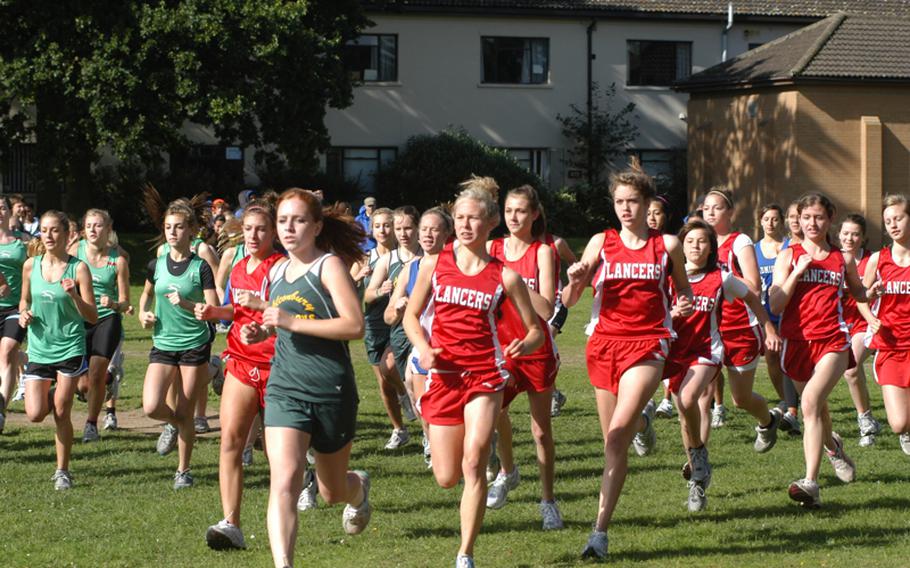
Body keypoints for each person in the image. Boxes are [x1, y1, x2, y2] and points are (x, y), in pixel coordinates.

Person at [403, 176, 543, 568]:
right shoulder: (435, 264)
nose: (465, 225)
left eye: (473, 218)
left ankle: (465, 554)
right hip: (444, 376)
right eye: (459, 217)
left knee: (474, 461)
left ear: (491, 222)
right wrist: (423, 348)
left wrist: (524, 345)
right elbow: (412, 317)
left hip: (485, 373)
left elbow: (534, 330)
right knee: (447, 476)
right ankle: (490, 470)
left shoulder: (505, 276)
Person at [560, 167, 693, 560]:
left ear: (648, 203)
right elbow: (570, 300)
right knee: (612, 441)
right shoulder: (602, 241)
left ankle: (598, 533)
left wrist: (682, 303)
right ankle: (643, 423)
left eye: (632, 201)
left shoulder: (667, 245)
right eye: (619, 202)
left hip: (648, 343)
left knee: (617, 434)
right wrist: (575, 277)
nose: (625, 209)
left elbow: (683, 289)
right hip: (603, 345)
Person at [239, 189, 372, 568]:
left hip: (331, 390)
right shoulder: (277, 269)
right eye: (282, 221)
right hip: (285, 389)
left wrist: (290, 322)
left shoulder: (328, 266)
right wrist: (261, 332)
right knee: (285, 481)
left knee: (331, 492)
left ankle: (357, 488)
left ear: (316, 226)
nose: (289, 228)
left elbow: (355, 325)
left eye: (298, 220)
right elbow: (281, 322)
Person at [770, 192, 875, 508]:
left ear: (830, 220)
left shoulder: (841, 258)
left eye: (818, 217)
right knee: (818, 411)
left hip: (833, 340)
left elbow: (859, 293)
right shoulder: (788, 256)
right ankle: (834, 447)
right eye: (806, 217)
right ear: (798, 220)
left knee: (812, 402)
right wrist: (797, 273)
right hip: (797, 343)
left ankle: (810, 483)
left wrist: (873, 291)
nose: (812, 223)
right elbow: (775, 303)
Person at [668, 219, 781, 512]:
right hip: (674, 353)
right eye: (690, 241)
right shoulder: (667, 276)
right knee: (684, 412)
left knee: (690, 398)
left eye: (702, 241)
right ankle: (697, 473)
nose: (695, 246)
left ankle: (700, 459)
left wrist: (768, 328)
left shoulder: (721, 278)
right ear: (681, 245)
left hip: (707, 351)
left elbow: (752, 297)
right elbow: (653, 312)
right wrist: (672, 312)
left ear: (711, 248)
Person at [197, 199, 285, 550]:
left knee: (277, 453)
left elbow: (290, 312)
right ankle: (231, 522)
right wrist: (216, 310)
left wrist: (264, 326)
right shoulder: (237, 266)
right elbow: (238, 308)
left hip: (279, 367)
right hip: (241, 362)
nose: (253, 235)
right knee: (230, 442)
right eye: (248, 228)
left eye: (261, 229)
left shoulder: (282, 267)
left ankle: (306, 481)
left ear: (274, 232)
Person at [485, 185, 562, 530]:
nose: (513, 217)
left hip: (535, 348)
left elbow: (546, 308)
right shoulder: (491, 247)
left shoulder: (542, 252)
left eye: (520, 211)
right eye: (508, 210)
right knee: (493, 412)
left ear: (534, 214)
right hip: (500, 348)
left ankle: (548, 501)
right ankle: (508, 471)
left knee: (541, 431)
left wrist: (512, 280)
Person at [139, 197, 219, 489]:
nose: (172, 232)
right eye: (168, 227)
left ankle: (183, 471)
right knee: (151, 406)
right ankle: (172, 423)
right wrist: (144, 313)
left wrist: (187, 304)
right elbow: (146, 295)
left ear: (191, 231)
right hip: (163, 341)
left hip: (194, 343)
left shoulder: (201, 267)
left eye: (179, 227)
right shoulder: (155, 264)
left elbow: (212, 307)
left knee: (186, 411)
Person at [20, 210, 98, 490]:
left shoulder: (78, 269)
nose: (49, 235)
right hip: (40, 347)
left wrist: (74, 295)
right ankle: (54, 393)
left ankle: (62, 471)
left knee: (62, 413)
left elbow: (92, 316)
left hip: (69, 346)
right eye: (44, 230)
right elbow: (24, 301)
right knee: (35, 414)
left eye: (55, 230)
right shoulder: (31, 265)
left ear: (67, 235)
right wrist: (24, 315)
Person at [702, 188, 783, 446]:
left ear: (731, 212)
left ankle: (767, 421)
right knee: (702, 394)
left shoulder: (739, 242)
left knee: (741, 399)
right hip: (709, 328)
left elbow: (754, 287)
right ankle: (697, 455)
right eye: (706, 208)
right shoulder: (698, 242)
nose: (710, 212)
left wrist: (719, 278)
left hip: (741, 329)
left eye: (716, 207)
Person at [382, 207, 453, 472]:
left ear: (447, 233)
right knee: (423, 401)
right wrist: (398, 308)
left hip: (454, 344)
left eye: (435, 229)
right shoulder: (410, 268)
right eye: (424, 229)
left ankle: (476, 445)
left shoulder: (457, 265)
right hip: (423, 344)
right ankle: (431, 443)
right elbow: (389, 316)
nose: (428, 234)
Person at [71, 209, 130, 443]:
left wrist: (114, 303)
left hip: (107, 319)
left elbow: (126, 303)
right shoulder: (75, 252)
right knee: (83, 384)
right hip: (79, 320)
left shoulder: (119, 259)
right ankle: (91, 391)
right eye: (89, 226)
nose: (93, 230)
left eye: (98, 225)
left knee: (96, 376)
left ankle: (91, 424)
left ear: (108, 228)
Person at [357, 207, 413, 449]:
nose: (383, 230)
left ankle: (408, 398)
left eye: (388, 225)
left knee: (394, 368)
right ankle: (399, 429)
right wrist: (365, 280)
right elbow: (358, 293)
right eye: (377, 225)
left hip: (401, 323)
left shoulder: (409, 256)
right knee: (383, 382)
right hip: (374, 324)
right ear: (371, 228)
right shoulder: (365, 258)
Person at [865, 194, 910, 456]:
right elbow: (861, 296)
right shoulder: (878, 260)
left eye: (899, 218)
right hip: (890, 346)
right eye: (888, 221)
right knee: (898, 423)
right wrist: (870, 314)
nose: (893, 225)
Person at [754, 204, 800, 434]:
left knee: (790, 359)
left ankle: (793, 409)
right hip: (766, 314)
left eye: (774, 219)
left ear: (781, 221)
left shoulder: (790, 246)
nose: (770, 223)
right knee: (772, 357)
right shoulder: (753, 251)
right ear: (760, 222)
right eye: (766, 219)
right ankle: (787, 401)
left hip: (789, 312)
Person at [838, 214, 883, 446]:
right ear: (839, 234)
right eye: (845, 233)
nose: (849, 238)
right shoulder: (833, 259)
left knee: (851, 368)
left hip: (864, 323)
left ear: (863, 238)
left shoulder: (871, 260)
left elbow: (864, 297)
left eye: (855, 234)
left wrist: (875, 296)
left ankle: (865, 421)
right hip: (837, 324)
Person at [0, 197, 29, 434]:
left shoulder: (23, 242)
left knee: (7, 351)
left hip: (15, 308)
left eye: (2, 208)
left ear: (10, 212)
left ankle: (1, 408)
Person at [647, 195, 677, 419]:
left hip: (671, 304)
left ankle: (666, 400)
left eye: (656, 213)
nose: (651, 218)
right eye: (648, 213)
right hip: (647, 308)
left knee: (670, 354)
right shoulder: (638, 242)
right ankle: (647, 399)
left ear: (666, 216)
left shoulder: (671, 244)